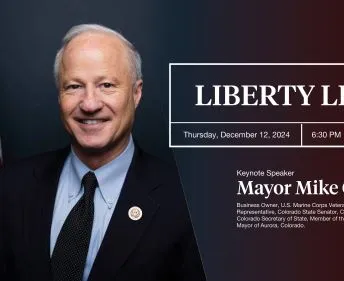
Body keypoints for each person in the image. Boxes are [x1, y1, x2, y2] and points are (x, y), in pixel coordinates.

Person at [0, 24, 206, 281]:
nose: (89, 104)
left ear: (136, 93)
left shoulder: (188, 204)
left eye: (106, 85)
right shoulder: (10, 186)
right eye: (74, 86)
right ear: (59, 95)